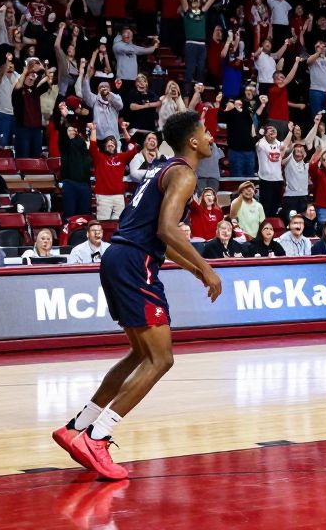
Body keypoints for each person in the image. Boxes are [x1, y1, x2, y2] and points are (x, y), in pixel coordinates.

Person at [52, 111, 222, 479]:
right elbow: (167, 230)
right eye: (206, 132)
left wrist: (194, 271)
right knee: (162, 359)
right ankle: (99, 437)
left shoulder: (162, 169)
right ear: (192, 141)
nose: (212, 137)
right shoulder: (185, 174)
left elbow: (158, 235)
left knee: (140, 354)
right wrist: (207, 268)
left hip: (117, 256)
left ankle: (78, 427)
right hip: (133, 264)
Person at [90, 122, 139, 220]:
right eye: (108, 142)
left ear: (116, 146)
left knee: (118, 224)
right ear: (104, 146)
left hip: (119, 196)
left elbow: (133, 148)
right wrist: (93, 129)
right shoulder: (99, 157)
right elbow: (93, 146)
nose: (111, 143)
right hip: (103, 196)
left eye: (113, 142)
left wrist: (124, 129)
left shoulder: (121, 157)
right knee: (104, 223)